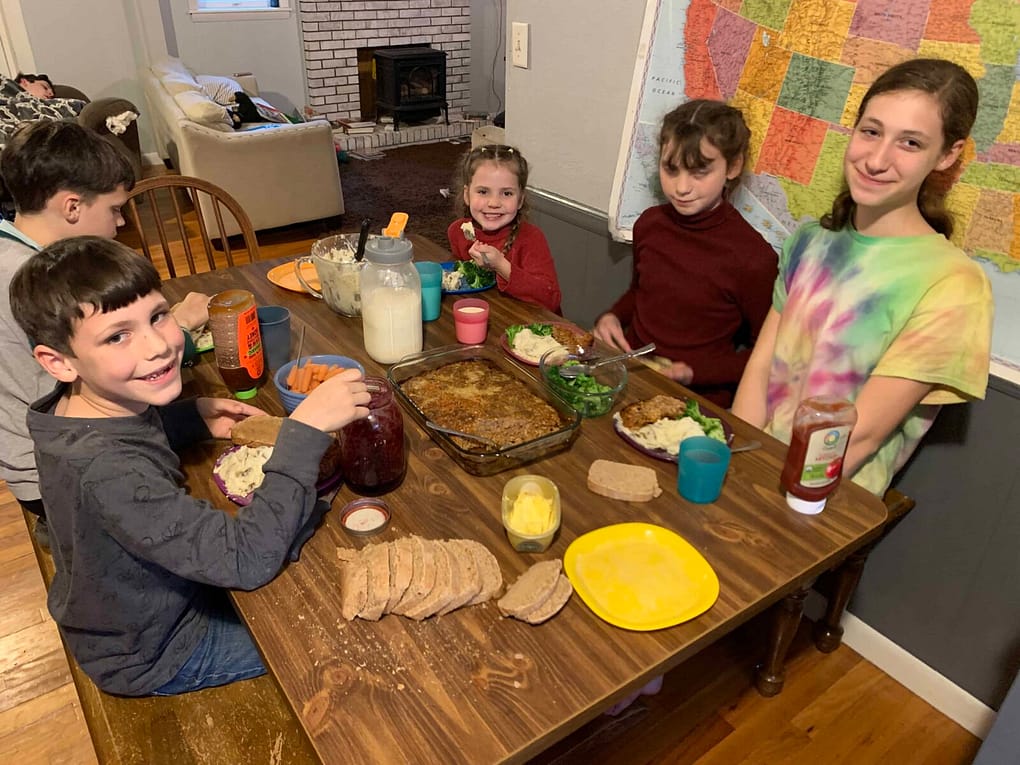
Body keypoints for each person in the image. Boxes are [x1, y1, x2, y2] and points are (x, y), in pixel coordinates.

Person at [10, 236, 372, 697]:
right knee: (338, 631)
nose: (158, 346)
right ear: (58, 362)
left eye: (158, 316)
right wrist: (305, 431)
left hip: (137, 607)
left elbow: (125, 437)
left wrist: (187, 418)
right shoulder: (107, 471)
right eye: (118, 336)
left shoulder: (79, 411)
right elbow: (246, 560)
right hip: (159, 648)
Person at [731, 58, 994, 498]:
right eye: (871, 131)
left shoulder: (955, 285)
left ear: (947, 155)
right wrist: (735, 467)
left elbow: (858, 438)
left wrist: (768, 504)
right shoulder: (810, 241)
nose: (876, 160)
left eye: (910, 142)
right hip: (750, 472)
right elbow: (761, 370)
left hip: (820, 500)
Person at [0, 119, 206, 543]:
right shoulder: (29, 282)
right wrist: (180, 331)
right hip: (55, 476)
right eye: (114, 209)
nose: (121, 224)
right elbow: (86, 392)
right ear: (72, 207)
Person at [593, 99, 777, 408]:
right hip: (633, 379)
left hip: (698, 400)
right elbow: (641, 292)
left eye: (699, 172)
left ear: (733, 167)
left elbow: (765, 356)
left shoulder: (754, 259)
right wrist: (612, 316)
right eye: (671, 169)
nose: (681, 187)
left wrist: (694, 373)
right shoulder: (649, 225)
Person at [447, 143, 562, 314]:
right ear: (467, 195)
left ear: (520, 200)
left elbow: (551, 299)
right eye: (483, 191)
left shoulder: (531, 238)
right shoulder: (458, 232)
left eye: (507, 193)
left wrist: (501, 265)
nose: (494, 203)